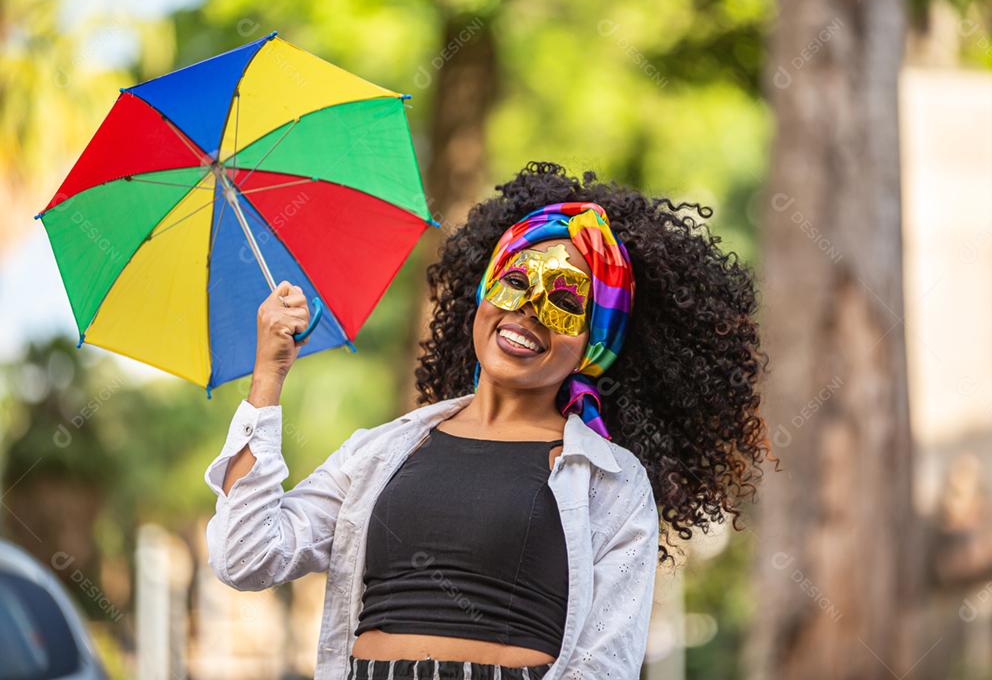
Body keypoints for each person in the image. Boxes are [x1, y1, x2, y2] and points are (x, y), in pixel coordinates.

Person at [203, 161, 769, 680]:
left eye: (564, 301)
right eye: (517, 281)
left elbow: (602, 664)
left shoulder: (609, 480)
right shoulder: (385, 450)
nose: (527, 310)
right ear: (485, 291)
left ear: (595, 343)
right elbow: (247, 554)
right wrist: (268, 377)